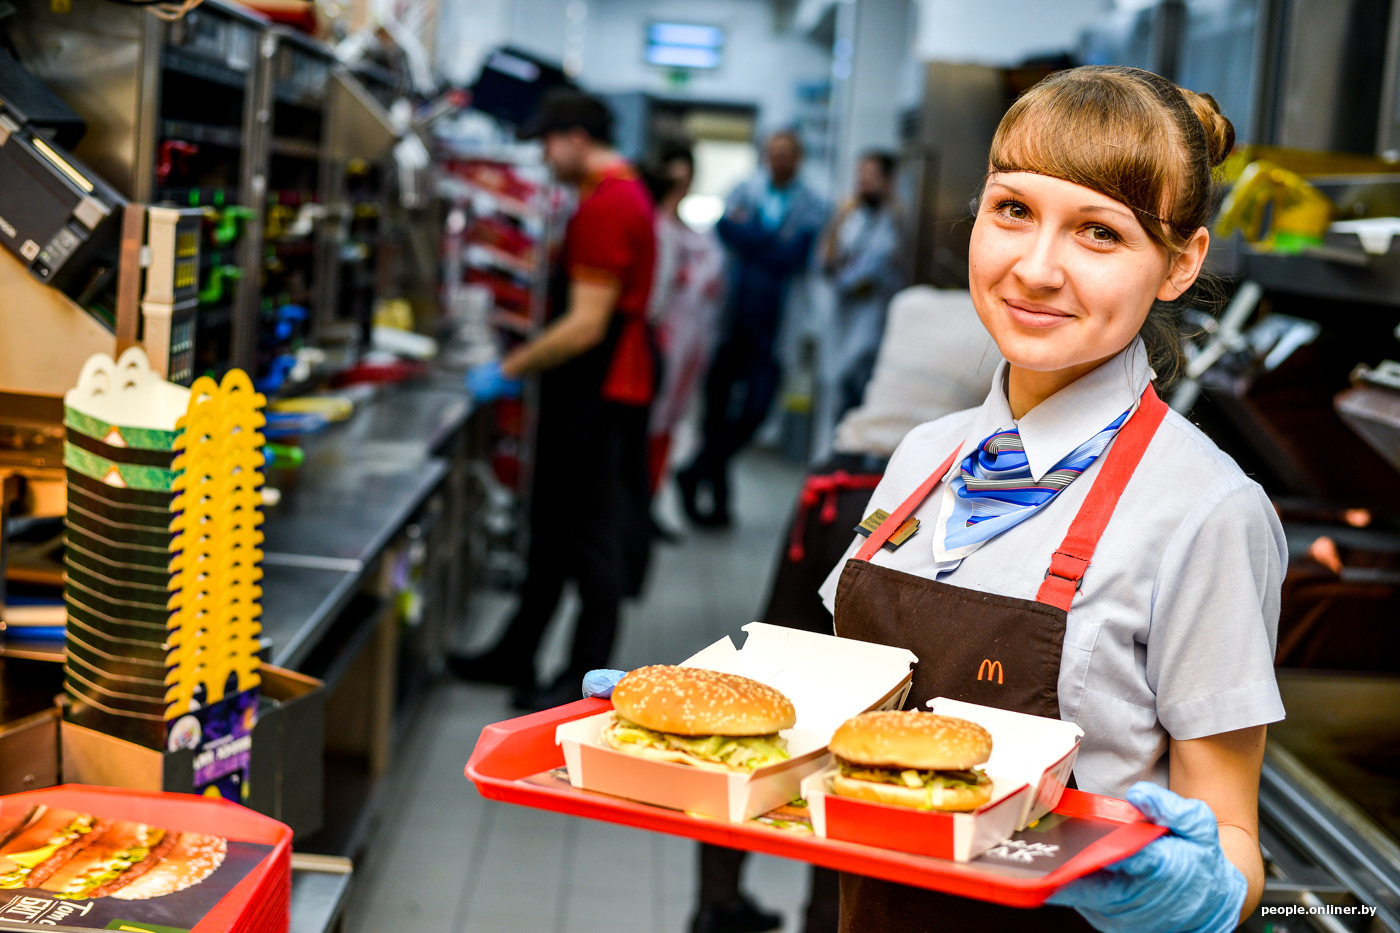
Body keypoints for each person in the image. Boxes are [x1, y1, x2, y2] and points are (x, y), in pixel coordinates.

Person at [811, 65, 1281, 931]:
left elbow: (1233, 839)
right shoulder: (925, 454)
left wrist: (1200, 892)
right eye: (1013, 209)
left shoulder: (1206, 509)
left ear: (1181, 264)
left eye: (1099, 233)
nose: (1035, 268)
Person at [689, 287, 1000, 933]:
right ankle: (824, 917)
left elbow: (859, 375)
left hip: (828, 492)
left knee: (754, 695)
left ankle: (717, 898)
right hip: (891, 512)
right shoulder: (1018, 334)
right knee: (861, 729)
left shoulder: (909, 301)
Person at [452, 89, 657, 712]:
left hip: (600, 388)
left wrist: (507, 368)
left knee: (591, 540)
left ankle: (583, 679)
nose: (543, 156)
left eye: (547, 142)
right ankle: (517, 650)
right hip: (591, 384)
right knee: (550, 528)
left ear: (573, 137)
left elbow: (586, 324)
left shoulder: (608, 206)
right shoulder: (614, 194)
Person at [676, 130, 828, 528]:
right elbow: (728, 232)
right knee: (716, 416)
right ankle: (717, 503)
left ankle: (694, 471)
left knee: (755, 413)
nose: (779, 160)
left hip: (774, 329)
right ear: (764, 156)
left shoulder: (813, 204)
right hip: (730, 322)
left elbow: (793, 255)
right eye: (774, 153)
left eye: (788, 154)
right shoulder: (742, 190)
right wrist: (773, 240)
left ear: (799, 159)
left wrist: (756, 237)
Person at [643, 144, 725, 502]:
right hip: (657, 342)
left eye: (685, 180)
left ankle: (653, 498)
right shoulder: (654, 228)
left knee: (671, 422)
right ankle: (640, 499)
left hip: (690, 348)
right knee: (649, 423)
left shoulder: (700, 238)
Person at [821, 150, 903, 422]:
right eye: (861, 176)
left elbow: (876, 274)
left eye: (871, 176)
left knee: (858, 399)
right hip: (843, 324)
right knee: (839, 394)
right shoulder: (851, 218)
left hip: (874, 328)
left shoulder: (896, 221)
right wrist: (838, 219)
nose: (863, 182)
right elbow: (826, 262)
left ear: (888, 181)